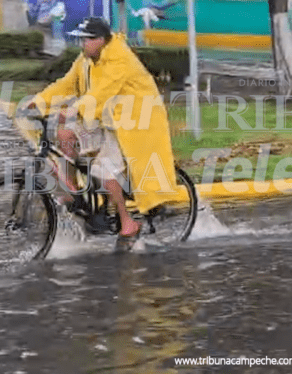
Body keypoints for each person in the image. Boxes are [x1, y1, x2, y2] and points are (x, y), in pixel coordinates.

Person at [26, 17, 179, 245]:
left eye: (87, 39)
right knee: (65, 134)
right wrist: (38, 102)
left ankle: (127, 221)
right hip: (105, 117)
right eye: (81, 39)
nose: (82, 44)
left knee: (103, 170)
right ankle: (76, 195)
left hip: (133, 123)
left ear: (102, 40)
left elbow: (100, 93)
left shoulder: (119, 60)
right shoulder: (86, 59)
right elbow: (66, 84)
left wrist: (73, 110)